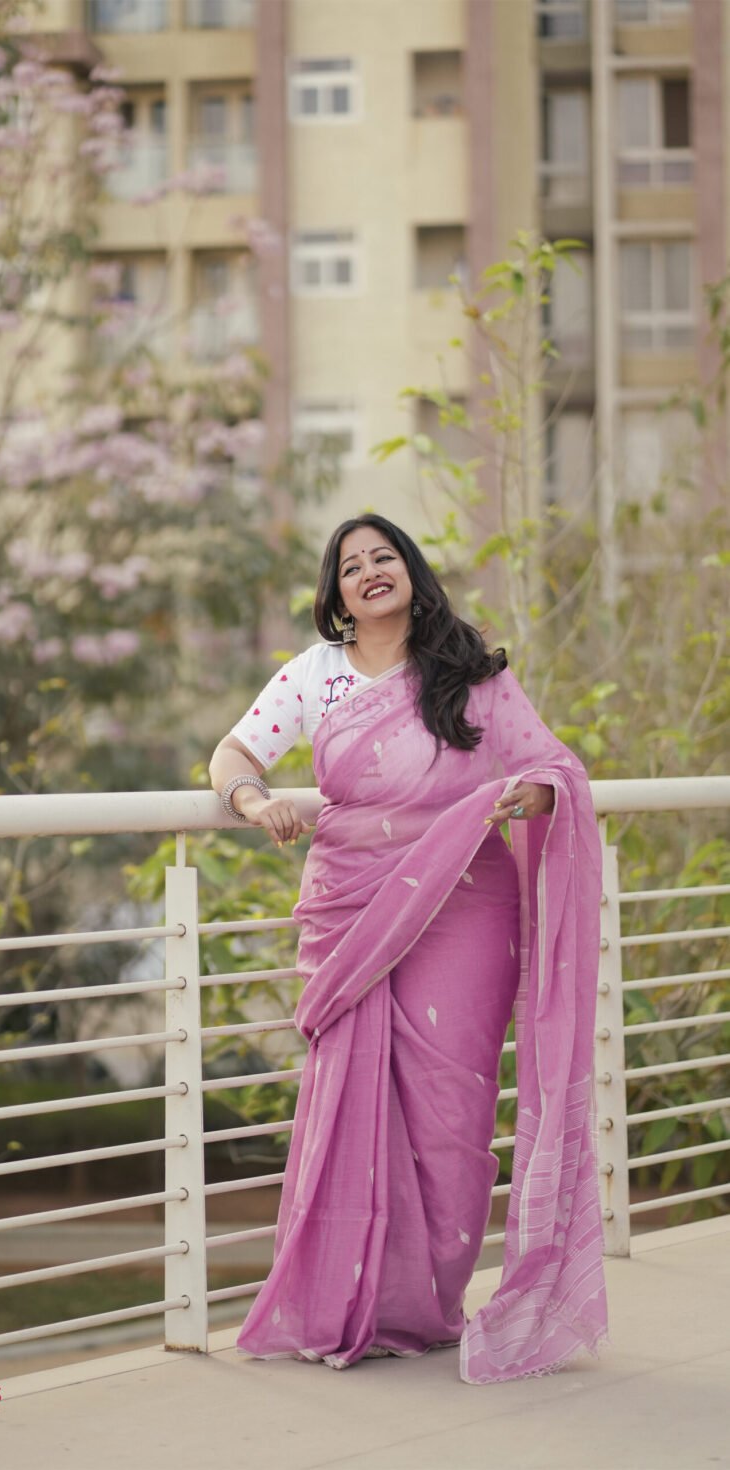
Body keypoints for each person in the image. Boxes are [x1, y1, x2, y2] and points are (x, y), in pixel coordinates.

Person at [208, 514, 609, 1385]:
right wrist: (252, 800)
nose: (369, 572)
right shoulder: (313, 675)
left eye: (382, 557)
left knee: (451, 1113)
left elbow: (551, 767)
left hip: (466, 904)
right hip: (352, 910)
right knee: (346, 1098)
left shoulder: (468, 672)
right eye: (351, 566)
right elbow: (233, 752)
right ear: (337, 594)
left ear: (411, 573)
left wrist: (535, 796)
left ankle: (426, 1307)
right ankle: (345, 1304)